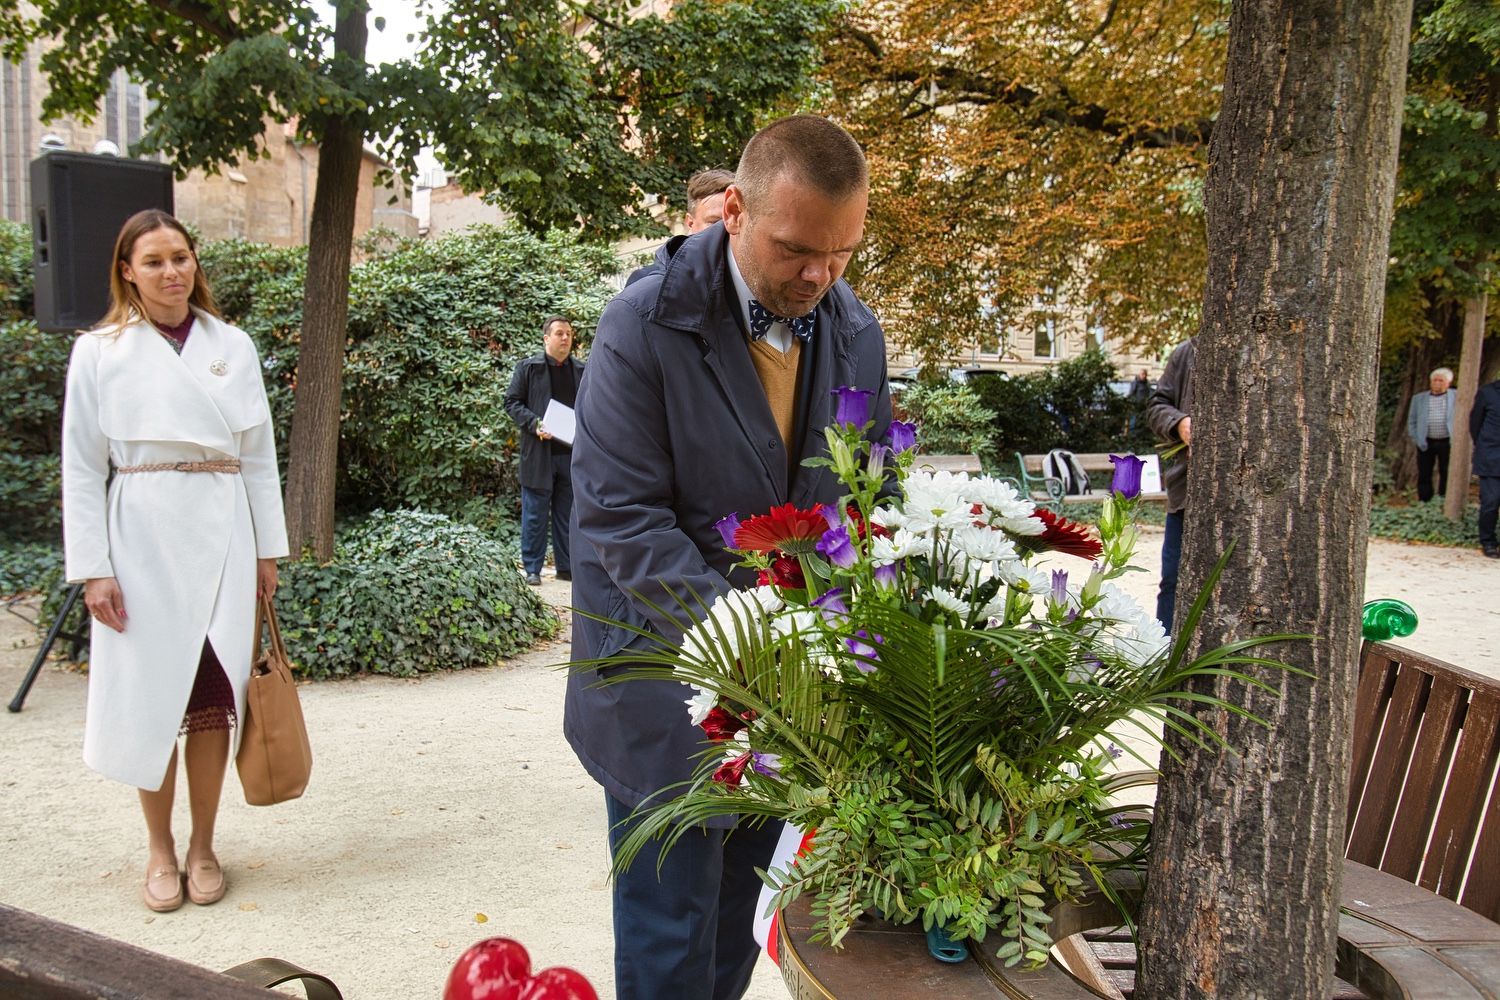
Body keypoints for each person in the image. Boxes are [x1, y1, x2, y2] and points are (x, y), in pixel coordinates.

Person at [565, 114, 891, 1000]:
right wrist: (758, 652)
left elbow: (863, 502)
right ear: (735, 210)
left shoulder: (856, 331)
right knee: (669, 942)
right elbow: (622, 520)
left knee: (738, 934)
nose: (819, 276)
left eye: (842, 253)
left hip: (791, 709)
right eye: (795, 249)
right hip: (664, 686)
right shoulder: (643, 320)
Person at [61, 209, 288, 913]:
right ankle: (160, 849)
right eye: (154, 261)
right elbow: (79, 464)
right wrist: (94, 566)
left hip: (223, 532)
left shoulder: (233, 345)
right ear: (127, 270)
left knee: (214, 703)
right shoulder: (100, 351)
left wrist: (266, 551)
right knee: (149, 698)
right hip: (140, 539)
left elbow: (257, 456)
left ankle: (204, 845)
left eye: (181, 257)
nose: (172, 272)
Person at [504, 316, 583, 586]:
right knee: (535, 514)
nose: (565, 338)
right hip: (539, 454)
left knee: (567, 515)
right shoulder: (528, 368)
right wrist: (534, 423)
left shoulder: (582, 371)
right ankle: (533, 568)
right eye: (559, 333)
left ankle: (566, 567)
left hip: (571, 455)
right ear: (546, 338)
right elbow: (512, 402)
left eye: (569, 334)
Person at [1146, 339, 1194, 634]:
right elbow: (1156, 406)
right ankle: (1162, 658)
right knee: (1173, 581)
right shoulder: (1187, 352)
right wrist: (1179, 423)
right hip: (1185, 493)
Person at [624, 168, 735, 287]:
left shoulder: (751, 280)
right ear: (690, 223)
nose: (729, 229)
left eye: (737, 220)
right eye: (716, 222)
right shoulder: (646, 284)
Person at [1407, 367, 1456, 501]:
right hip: (1426, 441)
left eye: (1441, 380)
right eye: (1434, 380)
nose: (1437, 383)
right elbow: (1412, 421)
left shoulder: (1457, 396)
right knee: (1424, 473)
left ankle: (1444, 499)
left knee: (1446, 471)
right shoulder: (1419, 399)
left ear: (1448, 383)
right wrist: (1416, 438)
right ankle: (1425, 500)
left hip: (1447, 441)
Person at [1472, 374, 1500, 558]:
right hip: (1491, 458)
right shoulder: (1487, 393)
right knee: (1490, 502)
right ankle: (1488, 542)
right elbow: (1475, 424)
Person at [1126, 368, 1152, 435]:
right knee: (1133, 421)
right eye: (1142, 374)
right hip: (1136, 405)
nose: (1144, 376)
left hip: (1144, 406)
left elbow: (1149, 393)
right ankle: (1132, 435)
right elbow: (1131, 394)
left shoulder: (1147, 383)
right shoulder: (1135, 383)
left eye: (1145, 374)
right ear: (1139, 374)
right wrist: (1132, 402)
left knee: (1142, 422)